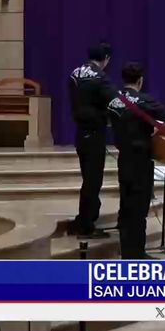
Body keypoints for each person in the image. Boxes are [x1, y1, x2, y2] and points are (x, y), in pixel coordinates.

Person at [107, 62, 165, 259]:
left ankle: (126, 252)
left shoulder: (114, 99)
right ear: (140, 80)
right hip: (141, 160)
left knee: (125, 206)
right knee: (139, 209)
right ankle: (136, 254)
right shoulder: (144, 100)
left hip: (123, 159)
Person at [68, 42, 115, 239]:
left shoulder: (75, 74)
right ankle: (86, 225)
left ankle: (84, 218)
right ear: (106, 58)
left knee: (88, 178)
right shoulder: (101, 78)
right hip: (95, 132)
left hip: (80, 132)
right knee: (93, 182)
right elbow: (114, 102)